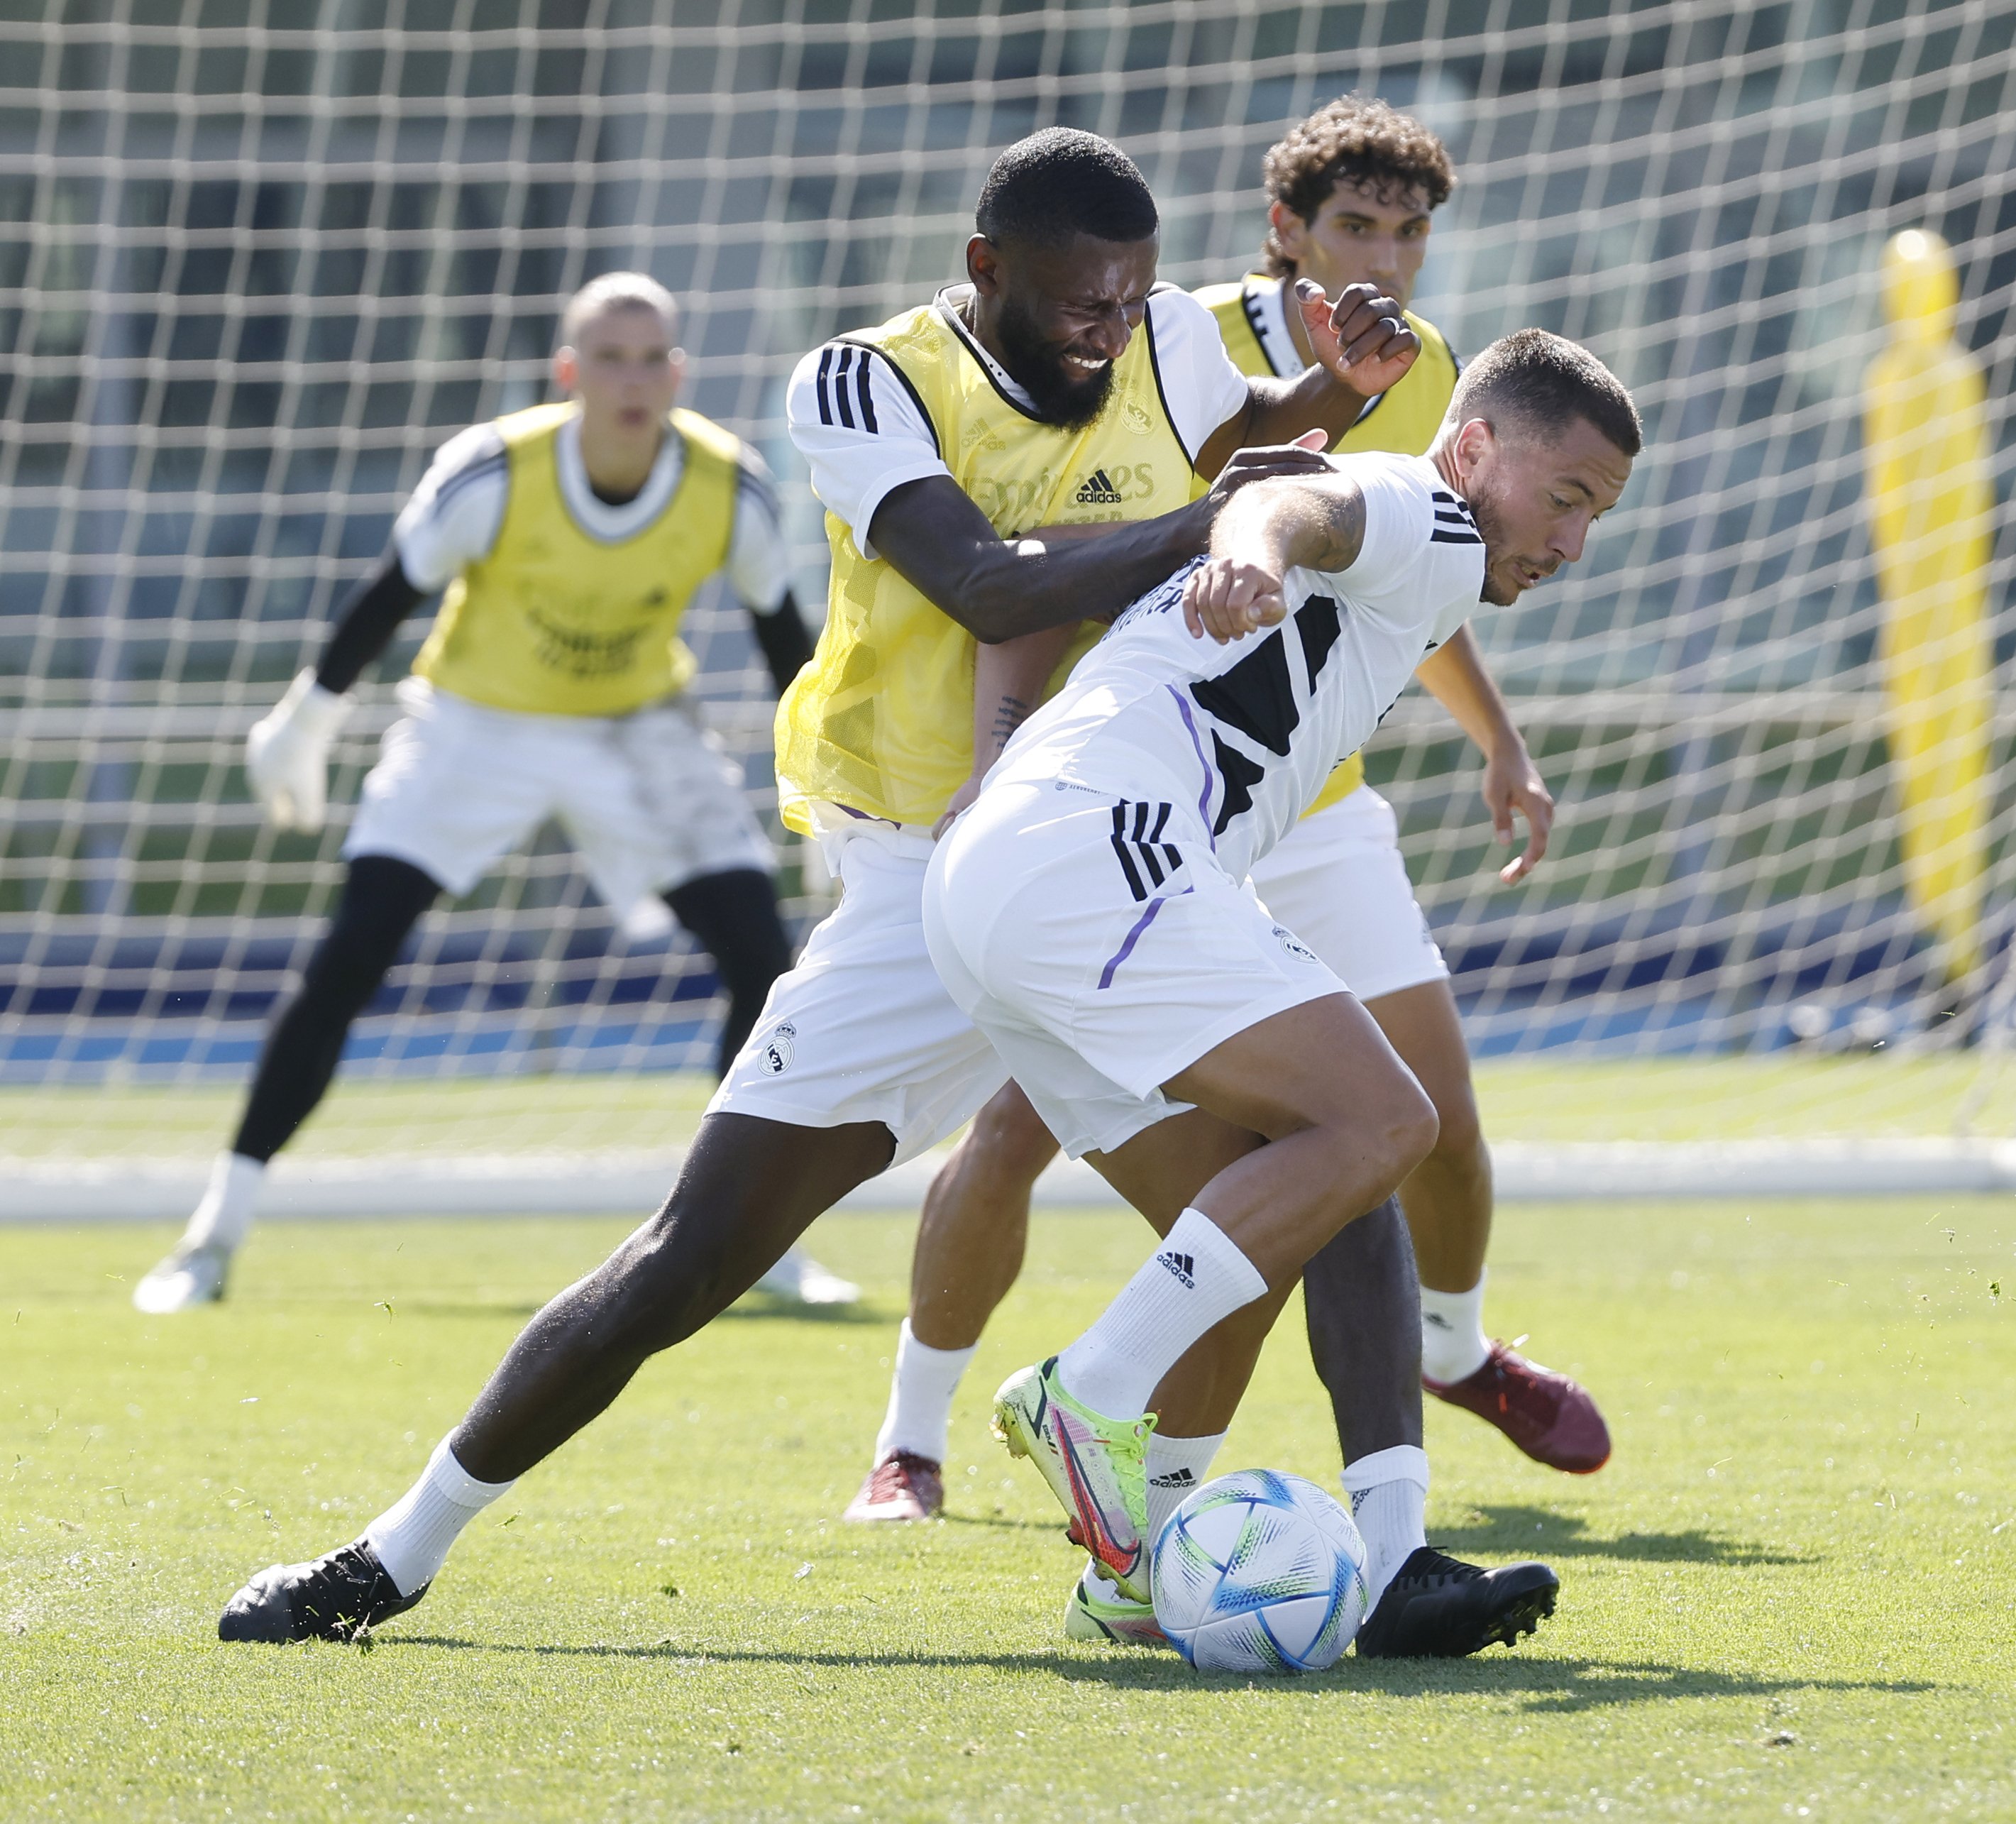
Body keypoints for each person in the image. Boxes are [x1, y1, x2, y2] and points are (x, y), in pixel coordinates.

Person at [214, 130, 1511, 1658]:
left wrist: (1321, 410)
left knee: (1335, 1156)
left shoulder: (1162, 340)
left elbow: (1243, 451)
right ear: (986, 276)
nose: (1112, 330)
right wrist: (1214, 524)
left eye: (1132, 300)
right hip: (914, 868)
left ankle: (1376, 1558)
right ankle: (391, 1553)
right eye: (1080, 306)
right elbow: (986, 582)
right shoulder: (862, 381)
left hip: (1107, 852)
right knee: (690, 1258)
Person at [846, 98, 1606, 1542]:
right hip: (1119, 815)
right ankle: (934, 1429)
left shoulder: (1438, 381)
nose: (1387, 254)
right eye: (1357, 226)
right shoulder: (1155, 331)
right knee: (1235, 1132)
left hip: (1266, 818)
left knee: (1361, 1154)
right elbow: (1283, 513)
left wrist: (1497, 735)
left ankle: (1202, 1517)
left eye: (1409, 229)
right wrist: (1010, 745)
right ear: (1288, 234)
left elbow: (1411, 577)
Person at [930, 326, 1641, 1657]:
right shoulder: (1422, 505)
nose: (1573, 543)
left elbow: (1331, 535)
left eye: (1595, 516)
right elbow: (1291, 501)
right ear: (1477, 448)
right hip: (1100, 843)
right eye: (1566, 498)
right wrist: (1249, 549)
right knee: (1390, 1119)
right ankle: (1089, 1395)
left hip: (1019, 880)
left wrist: (1498, 739)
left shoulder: (1426, 570)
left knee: (1312, 1195)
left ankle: (1298, 1564)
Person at [133, 273, 858, 1315]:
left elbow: (783, 640)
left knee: (761, 957)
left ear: (679, 374)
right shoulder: (492, 469)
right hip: (474, 725)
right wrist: (305, 720)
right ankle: (210, 1239)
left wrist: (819, 784)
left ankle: (756, 1241)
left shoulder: (726, 483)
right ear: (567, 373)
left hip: (637, 730)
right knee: (352, 954)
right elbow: (391, 591)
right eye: (609, 358)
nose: (632, 380)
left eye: (652, 358)